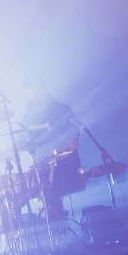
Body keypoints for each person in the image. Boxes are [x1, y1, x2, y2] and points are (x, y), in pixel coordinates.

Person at [21, 78, 82, 221]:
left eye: (38, 88)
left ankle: (57, 224)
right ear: (27, 95)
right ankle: (46, 223)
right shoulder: (27, 118)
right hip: (42, 168)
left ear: (45, 88)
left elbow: (74, 142)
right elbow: (22, 144)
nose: (36, 93)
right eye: (31, 91)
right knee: (27, 186)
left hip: (66, 164)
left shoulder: (61, 109)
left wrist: (54, 158)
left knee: (48, 188)